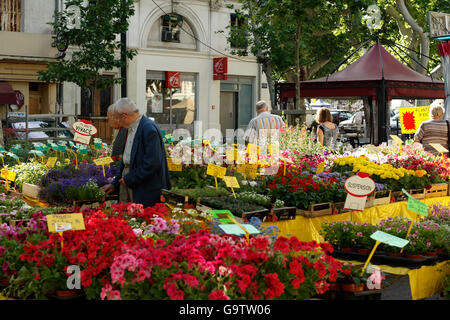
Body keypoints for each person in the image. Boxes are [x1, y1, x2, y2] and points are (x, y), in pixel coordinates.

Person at [101, 98, 171, 207]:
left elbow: (152, 163)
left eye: (117, 118)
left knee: (140, 219)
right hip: (132, 179)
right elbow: (126, 159)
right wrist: (115, 183)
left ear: (124, 116)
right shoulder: (131, 127)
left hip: (144, 186)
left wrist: (130, 179)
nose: (117, 121)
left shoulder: (148, 128)